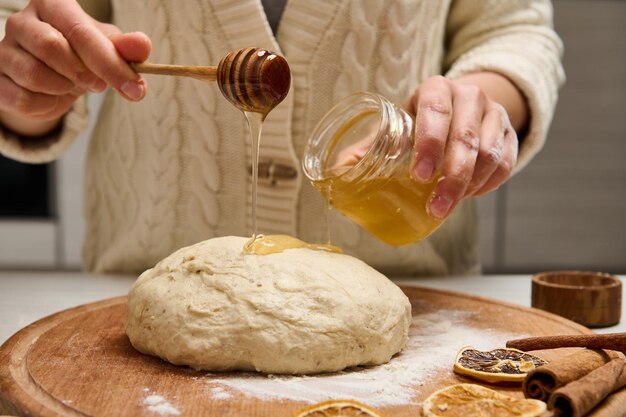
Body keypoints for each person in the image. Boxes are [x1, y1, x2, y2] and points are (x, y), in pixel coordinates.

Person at [0, 0, 564, 275]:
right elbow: (26, 26)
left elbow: (513, 27)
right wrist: (28, 81)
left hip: (414, 301)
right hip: (144, 284)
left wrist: (481, 97)